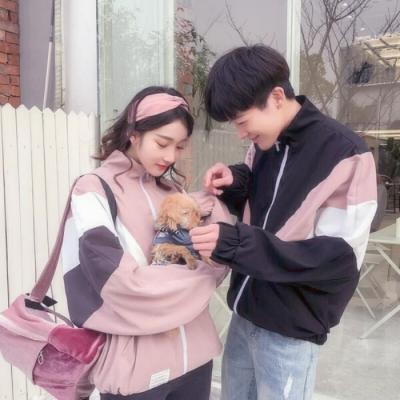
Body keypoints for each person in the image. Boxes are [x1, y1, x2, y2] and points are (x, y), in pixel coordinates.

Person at [189, 45, 378, 400]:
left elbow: (336, 260)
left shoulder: (346, 154)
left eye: (242, 121)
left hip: (290, 331)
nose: (240, 133)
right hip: (244, 314)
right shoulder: (266, 144)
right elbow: (269, 203)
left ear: (277, 97)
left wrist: (234, 244)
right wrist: (235, 181)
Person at [61, 86, 230, 399]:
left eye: (180, 146)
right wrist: (197, 281)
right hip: (136, 373)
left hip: (196, 360)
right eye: (162, 143)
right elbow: (122, 286)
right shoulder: (93, 191)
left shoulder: (175, 193)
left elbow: (218, 263)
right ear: (133, 134)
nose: (170, 157)